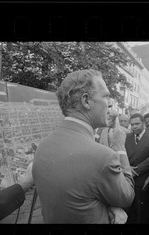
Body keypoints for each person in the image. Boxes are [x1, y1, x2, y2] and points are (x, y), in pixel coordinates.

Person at [32, 69, 135, 224]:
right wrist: (120, 147)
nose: (110, 103)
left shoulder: (44, 145)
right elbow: (126, 196)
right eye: (106, 96)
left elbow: (77, 193)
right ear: (86, 101)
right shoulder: (102, 156)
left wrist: (104, 205)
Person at [124, 113, 149, 223]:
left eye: (137, 124)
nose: (134, 126)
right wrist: (126, 168)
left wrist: (135, 171)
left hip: (142, 179)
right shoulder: (126, 137)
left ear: (143, 123)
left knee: (141, 210)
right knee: (127, 208)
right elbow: (121, 153)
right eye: (132, 124)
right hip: (126, 178)